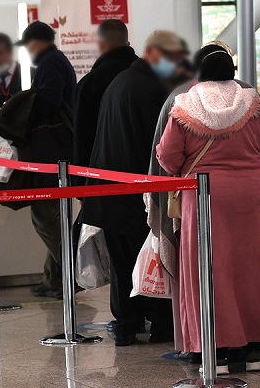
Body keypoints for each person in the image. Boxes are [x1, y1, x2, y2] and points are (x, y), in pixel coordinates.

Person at [157, 50, 260, 374]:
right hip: (252, 196)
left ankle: (217, 353)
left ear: (198, 73)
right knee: (254, 271)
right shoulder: (254, 103)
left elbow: (168, 157)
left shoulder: (184, 106)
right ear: (232, 71)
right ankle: (256, 351)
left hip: (204, 198)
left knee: (209, 272)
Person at [80, 30, 184, 346]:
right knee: (152, 257)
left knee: (124, 262)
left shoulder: (121, 81)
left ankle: (126, 324)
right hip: (134, 191)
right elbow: (159, 147)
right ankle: (162, 323)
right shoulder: (151, 88)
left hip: (108, 191)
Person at [146, 41, 247, 358]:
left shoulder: (180, 99)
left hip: (194, 197)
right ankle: (244, 343)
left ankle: (198, 343)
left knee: (195, 272)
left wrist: (157, 200)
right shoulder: (249, 96)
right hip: (247, 198)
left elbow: (163, 156)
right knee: (240, 270)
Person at [16, 21, 76, 298]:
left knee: (45, 218)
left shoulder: (50, 62)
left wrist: (23, 111)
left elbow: (49, 102)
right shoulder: (55, 60)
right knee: (54, 216)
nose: (28, 50)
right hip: (58, 151)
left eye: (29, 44)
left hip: (50, 153)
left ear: (38, 42)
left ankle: (70, 271)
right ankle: (54, 279)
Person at [73, 19, 138, 178]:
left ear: (100, 44)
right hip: (146, 174)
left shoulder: (88, 85)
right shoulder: (150, 77)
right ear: (128, 44)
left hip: (104, 175)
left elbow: (83, 138)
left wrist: (82, 188)